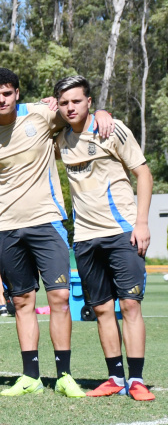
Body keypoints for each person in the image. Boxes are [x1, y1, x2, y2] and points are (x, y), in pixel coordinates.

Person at [0, 68, 112, 397]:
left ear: (17, 93)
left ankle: (64, 376)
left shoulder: (42, 113)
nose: (1, 100)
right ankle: (30, 377)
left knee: (60, 298)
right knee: (22, 302)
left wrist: (102, 112)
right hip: (8, 229)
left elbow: (78, 113)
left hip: (48, 222)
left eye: (7, 93)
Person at [53, 75, 154, 401]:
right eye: (64, 102)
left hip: (122, 231)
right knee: (101, 309)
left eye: (76, 101)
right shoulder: (60, 139)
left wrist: (141, 223)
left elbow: (144, 173)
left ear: (89, 102)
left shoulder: (112, 129)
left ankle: (136, 380)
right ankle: (115, 378)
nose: (70, 107)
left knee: (130, 304)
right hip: (85, 238)